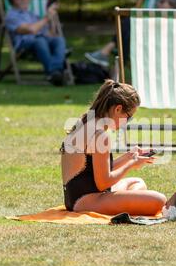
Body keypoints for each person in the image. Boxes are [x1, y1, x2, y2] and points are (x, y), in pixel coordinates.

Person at [60, 79, 167, 215]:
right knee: (159, 200)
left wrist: (128, 158)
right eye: (128, 118)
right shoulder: (100, 136)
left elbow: (93, 171)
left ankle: (125, 204)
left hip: (75, 199)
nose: (126, 123)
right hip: (86, 201)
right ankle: (126, 204)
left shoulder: (86, 123)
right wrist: (131, 164)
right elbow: (103, 183)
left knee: (137, 183)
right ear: (118, 109)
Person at [85, 0, 176, 69]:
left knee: (129, 23)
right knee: (128, 24)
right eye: (159, 1)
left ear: (172, 6)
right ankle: (108, 53)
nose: (158, 4)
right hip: (141, 43)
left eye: (162, 2)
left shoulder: (172, 22)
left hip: (151, 46)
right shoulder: (156, 18)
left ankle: (106, 52)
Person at [5, 0, 67, 86]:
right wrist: (46, 18)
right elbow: (31, 30)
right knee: (40, 40)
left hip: (42, 41)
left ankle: (54, 72)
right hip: (25, 45)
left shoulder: (32, 14)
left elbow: (50, 34)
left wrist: (52, 17)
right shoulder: (11, 16)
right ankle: (54, 73)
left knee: (59, 40)